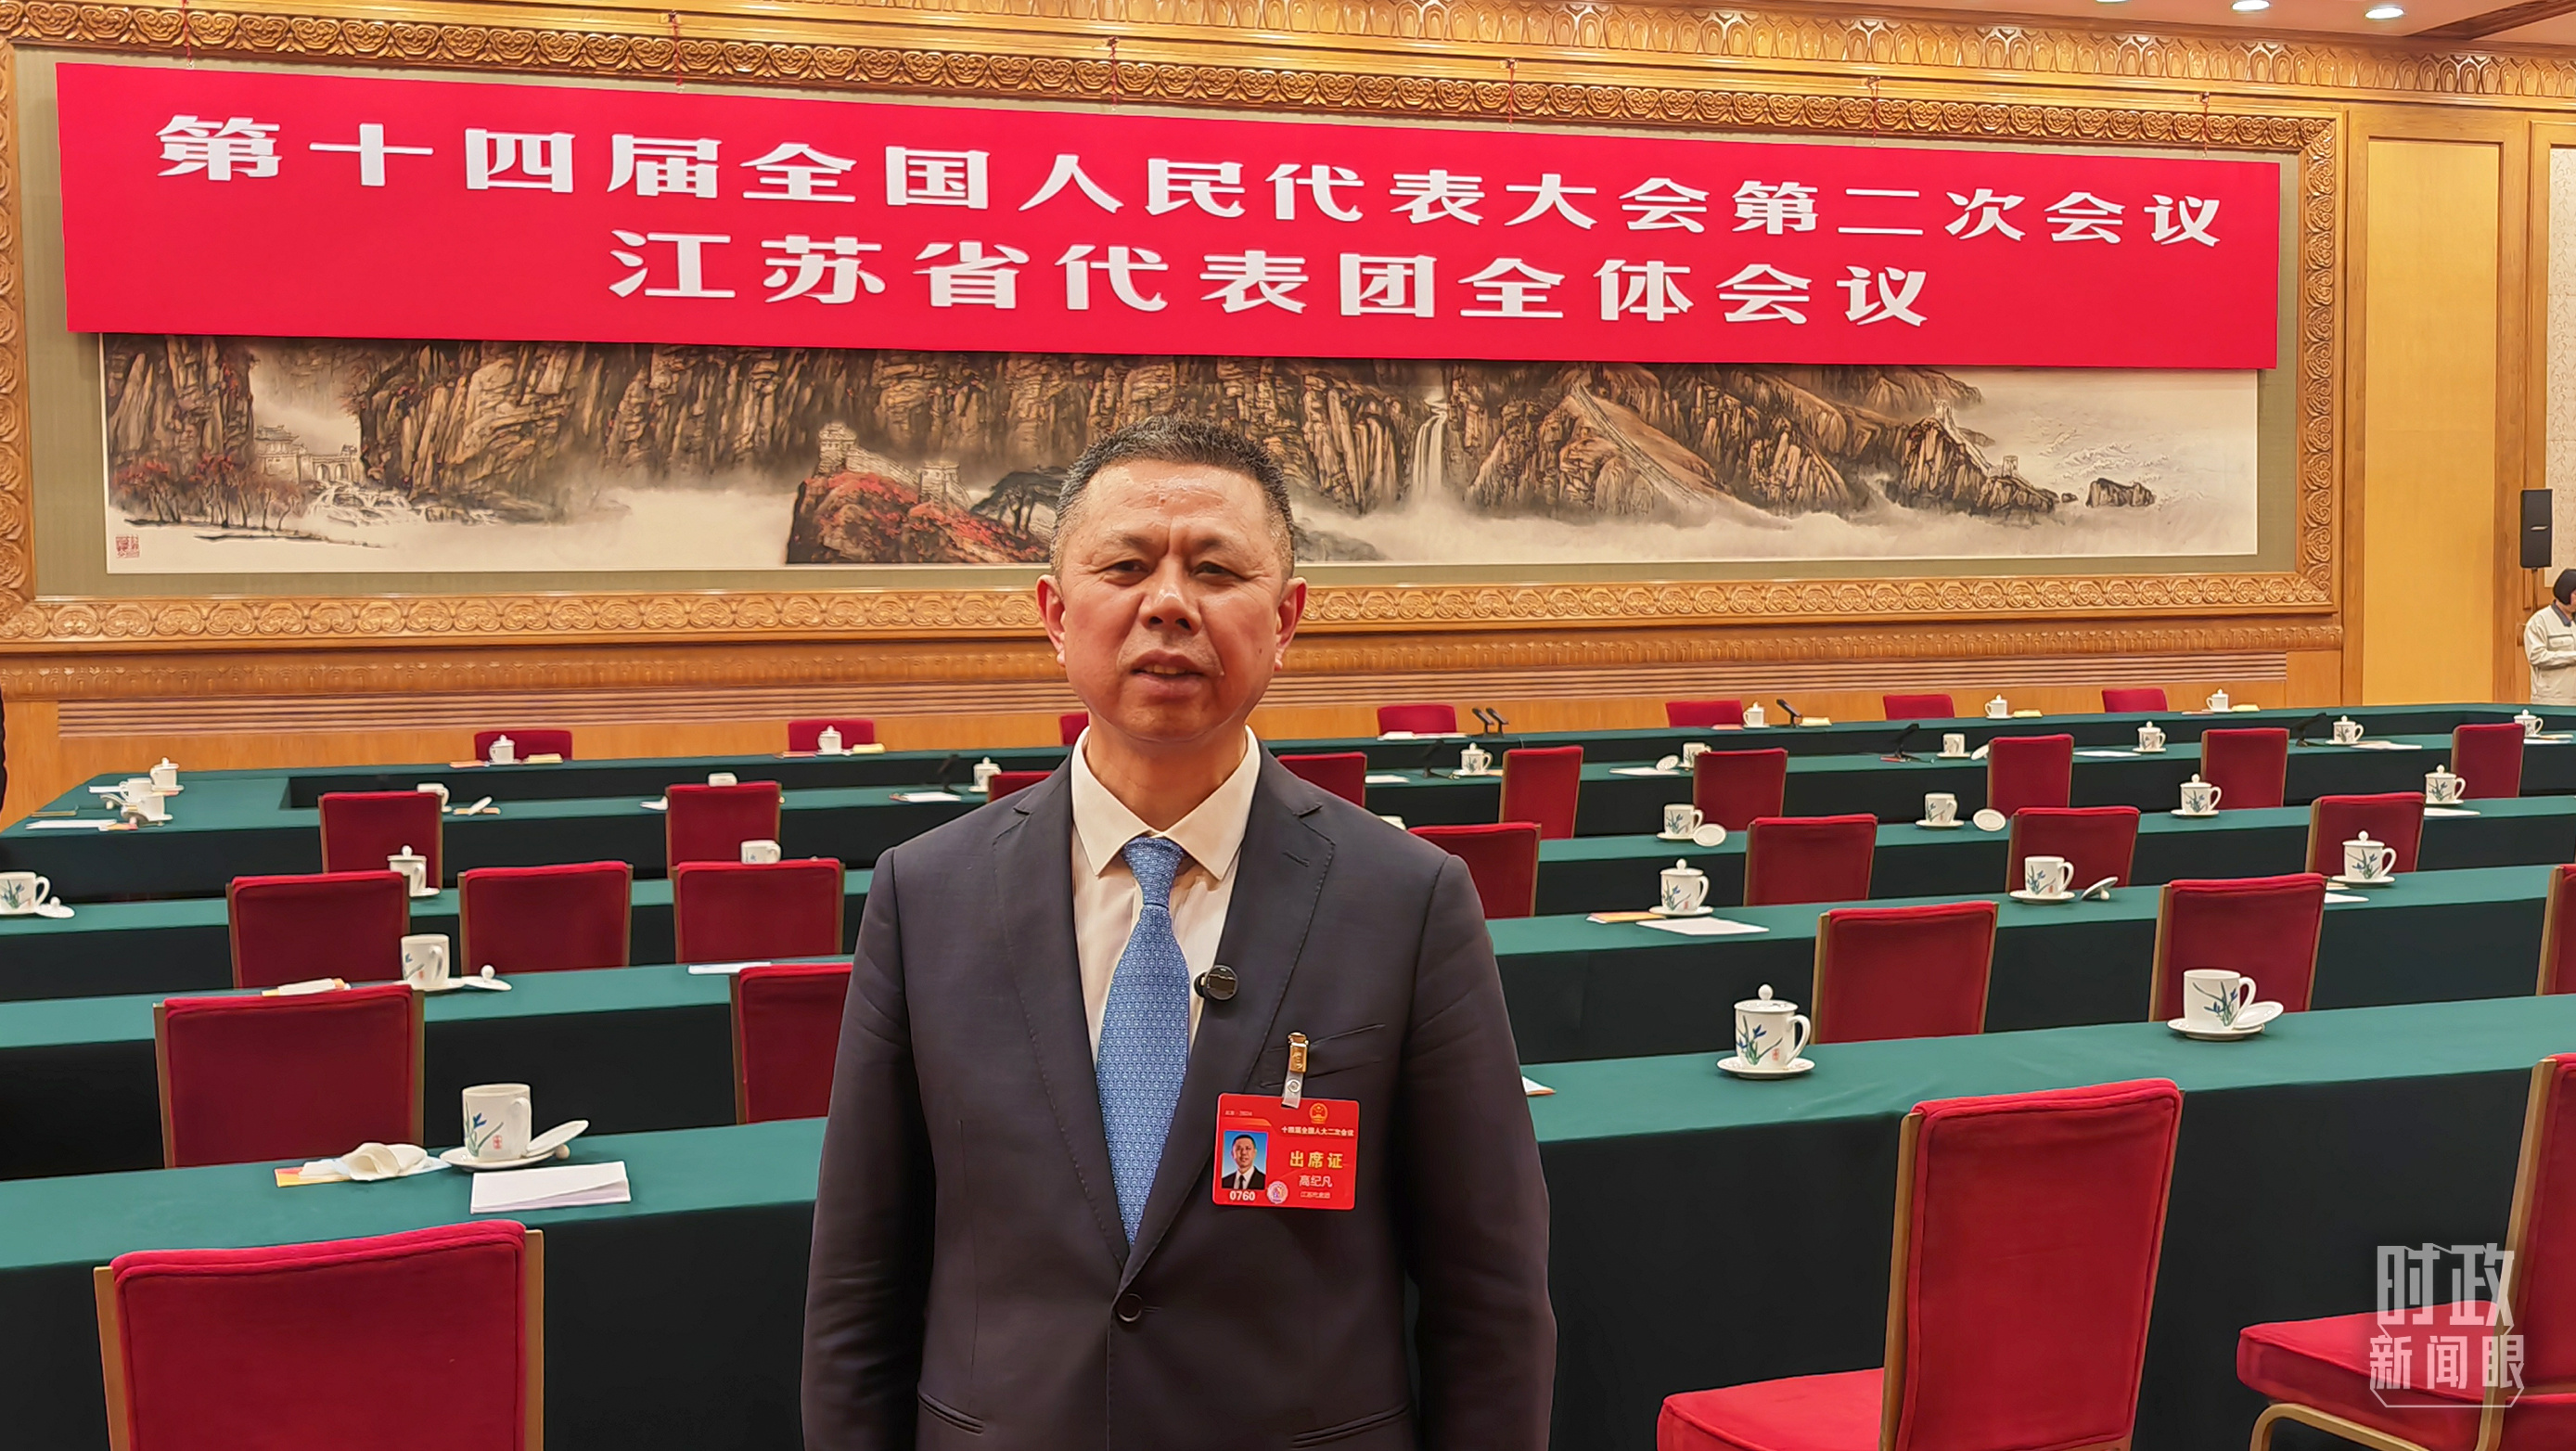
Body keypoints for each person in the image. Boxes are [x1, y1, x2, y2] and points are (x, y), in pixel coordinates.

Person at [802, 417, 1554, 1451]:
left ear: (1284, 619)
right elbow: (858, 1284)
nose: (1167, 603)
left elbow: (1489, 1300)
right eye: (1124, 567)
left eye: (1214, 570)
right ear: (1054, 613)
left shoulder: (1407, 900)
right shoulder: (926, 894)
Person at [2529, 569, 2576, 706]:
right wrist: (2573, 656)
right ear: (2565, 593)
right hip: (2552, 701)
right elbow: (2536, 656)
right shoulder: (2539, 621)